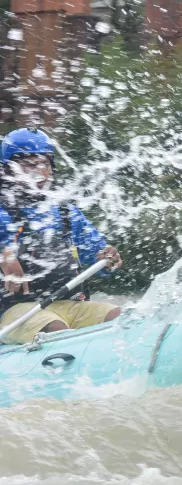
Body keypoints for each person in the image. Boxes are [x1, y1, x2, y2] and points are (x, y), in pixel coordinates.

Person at [0, 127, 123, 344]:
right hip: (14, 311)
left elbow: (99, 258)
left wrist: (109, 258)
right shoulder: (3, 211)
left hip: (71, 305)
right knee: (56, 329)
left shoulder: (65, 212)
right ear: (8, 171)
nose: (39, 171)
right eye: (29, 165)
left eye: (44, 164)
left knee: (120, 317)